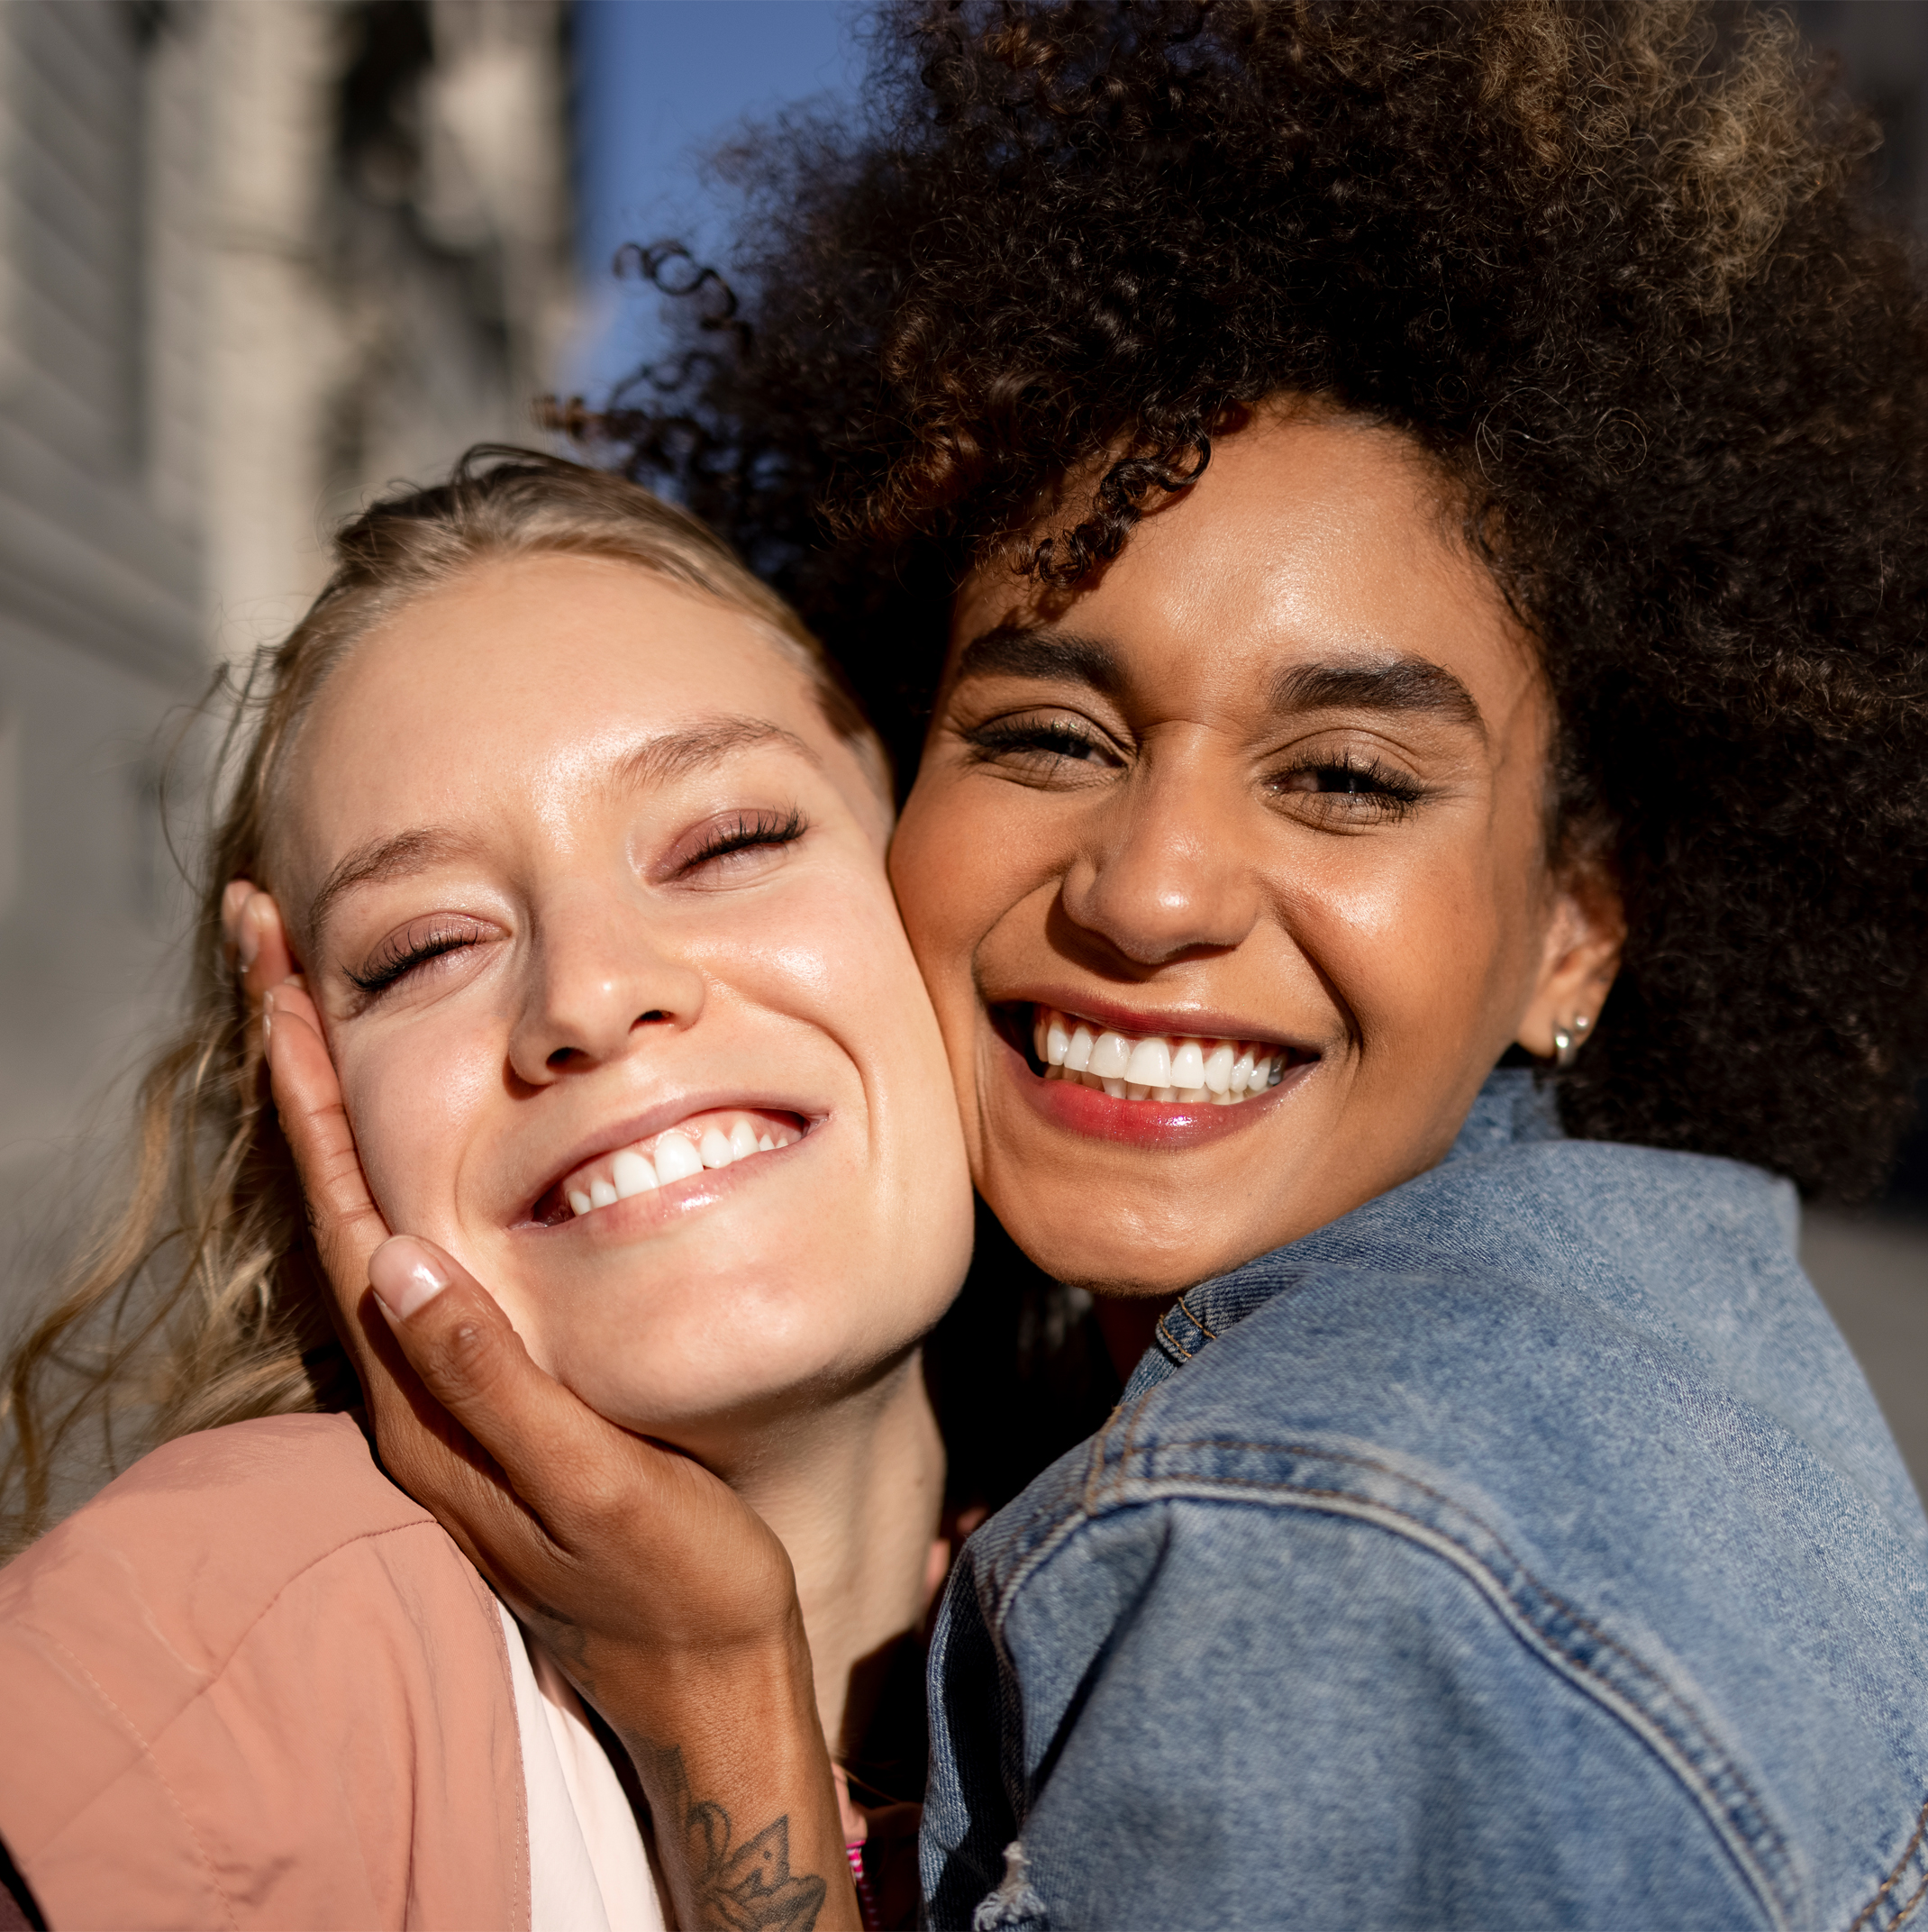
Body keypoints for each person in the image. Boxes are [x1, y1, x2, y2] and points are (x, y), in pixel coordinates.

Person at [271, 2, 1928, 1927]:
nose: (1147, 894)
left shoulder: (1296, 1537)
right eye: (1049, 738)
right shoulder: (1661, 1326)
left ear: (1576, 922)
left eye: (1342, 776)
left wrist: (720, 1709)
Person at [0, 451, 972, 1931]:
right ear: (307, 1107)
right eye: (424, 948)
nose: (591, 993)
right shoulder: (189, 1689)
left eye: (730, 841)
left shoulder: (1239, 1558)